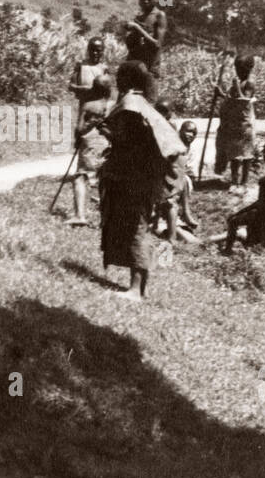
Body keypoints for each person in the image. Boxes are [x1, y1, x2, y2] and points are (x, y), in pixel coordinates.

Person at [99, 60, 186, 299]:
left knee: (138, 229)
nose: (117, 81)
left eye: (120, 77)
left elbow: (127, 142)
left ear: (126, 80)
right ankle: (139, 287)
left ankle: (136, 290)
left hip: (136, 179)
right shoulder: (143, 104)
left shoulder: (130, 104)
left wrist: (106, 132)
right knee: (141, 226)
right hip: (146, 178)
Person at [221, 136, 265, 304]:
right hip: (261, 213)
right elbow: (260, 200)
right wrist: (241, 211)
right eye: (264, 150)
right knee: (233, 221)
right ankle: (228, 250)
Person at [67, 74, 113, 227]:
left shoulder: (89, 105)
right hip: (107, 145)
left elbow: (79, 129)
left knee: (81, 177)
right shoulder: (114, 106)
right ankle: (106, 218)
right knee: (104, 181)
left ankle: (80, 215)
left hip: (89, 144)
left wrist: (77, 140)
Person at [215, 73, 258, 189]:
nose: (238, 70)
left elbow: (243, 101)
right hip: (235, 123)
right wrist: (221, 95)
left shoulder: (249, 82)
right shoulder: (239, 81)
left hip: (246, 122)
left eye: (241, 67)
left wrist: (237, 86)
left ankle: (244, 181)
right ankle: (234, 181)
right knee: (235, 154)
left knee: (246, 154)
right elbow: (232, 101)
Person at [124, 0, 166, 83]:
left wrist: (138, 28)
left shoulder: (159, 16)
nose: (145, 1)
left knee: (147, 98)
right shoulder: (140, 17)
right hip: (135, 65)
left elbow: (157, 44)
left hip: (149, 69)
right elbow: (131, 45)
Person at [68, 36, 108, 117]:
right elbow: (71, 86)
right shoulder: (81, 65)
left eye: (98, 51)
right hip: (83, 105)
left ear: (103, 52)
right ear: (88, 50)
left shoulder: (104, 68)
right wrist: (82, 89)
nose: (95, 53)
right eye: (92, 50)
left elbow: (108, 93)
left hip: (98, 106)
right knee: (81, 128)